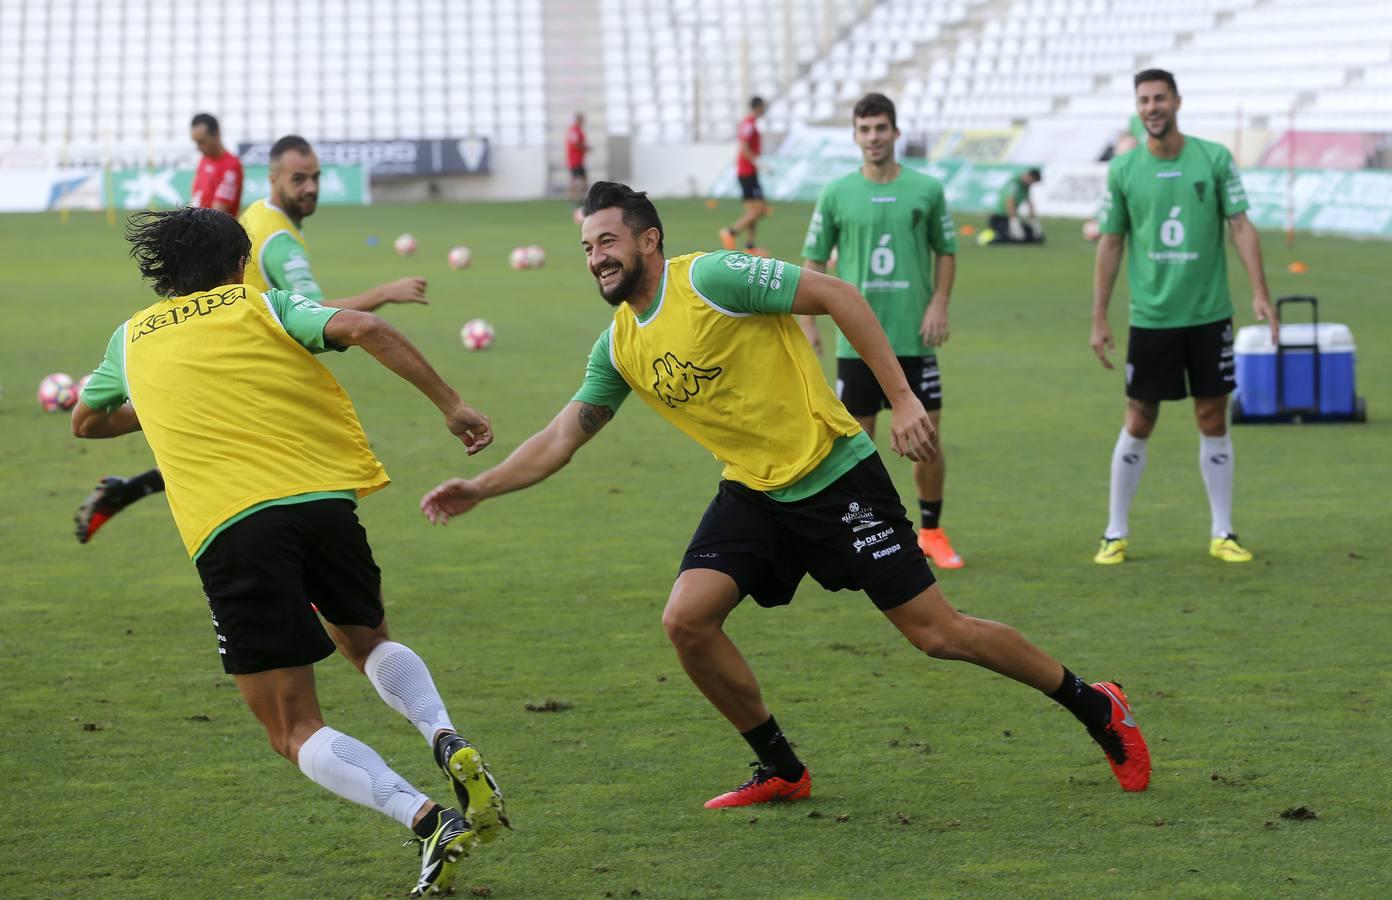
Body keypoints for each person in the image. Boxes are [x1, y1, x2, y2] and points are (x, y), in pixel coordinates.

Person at [422, 181, 1151, 810]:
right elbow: (562, 436)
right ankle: (782, 767)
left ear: (649, 239)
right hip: (754, 493)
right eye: (587, 248)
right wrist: (480, 488)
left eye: (608, 241)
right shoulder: (618, 344)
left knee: (937, 634)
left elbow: (836, 294)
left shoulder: (710, 277)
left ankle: (1096, 704)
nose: (597, 257)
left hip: (835, 473)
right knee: (687, 621)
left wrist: (901, 401)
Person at [71, 207, 508, 896]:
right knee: (367, 643)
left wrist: (155, 404)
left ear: (165, 275)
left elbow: (86, 420)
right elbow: (363, 326)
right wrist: (453, 406)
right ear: (238, 265)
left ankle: (426, 820)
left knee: (292, 726)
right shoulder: (262, 305)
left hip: (235, 530)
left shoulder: (131, 338)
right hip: (324, 506)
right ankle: (445, 735)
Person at [75, 134, 430, 543]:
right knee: (293, 476)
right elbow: (321, 310)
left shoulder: (260, 214)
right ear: (274, 178)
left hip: (221, 361)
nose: (311, 187)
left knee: (230, 463)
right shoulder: (276, 239)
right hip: (253, 366)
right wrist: (384, 293)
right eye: (299, 179)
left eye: (316, 177)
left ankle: (129, 489)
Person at [1090, 69, 1277, 565]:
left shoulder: (1212, 158)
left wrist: (1260, 291)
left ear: (1176, 101)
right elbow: (1110, 242)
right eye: (1144, 100)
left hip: (1209, 315)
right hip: (1151, 318)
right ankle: (1114, 532)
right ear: (1138, 107)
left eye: (1159, 98)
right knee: (1140, 415)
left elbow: (1240, 224)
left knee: (1212, 416)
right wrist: (1099, 317)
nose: (1152, 107)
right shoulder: (1124, 170)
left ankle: (1223, 531)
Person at [798, 93, 964, 570]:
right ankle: (870, 537)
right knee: (859, 444)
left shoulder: (927, 189)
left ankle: (932, 531)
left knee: (926, 438)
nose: (873, 137)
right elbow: (813, 262)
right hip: (856, 340)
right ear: (855, 135)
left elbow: (946, 249)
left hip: (912, 337)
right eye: (864, 129)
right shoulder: (836, 194)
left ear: (895, 132)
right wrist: (809, 325)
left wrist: (939, 302)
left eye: (880, 128)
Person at [720, 97, 769, 252]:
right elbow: (744, 146)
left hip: (748, 171)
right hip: (747, 171)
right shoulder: (748, 124)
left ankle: (750, 246)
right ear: (759, 107)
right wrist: (756, 162)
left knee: (752, 211)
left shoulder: (751, 123)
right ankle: (730, 232)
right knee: (759, 209)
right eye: (763, 107)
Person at [188, 112, 243, 216]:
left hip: (215, 230)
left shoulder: (231, 166)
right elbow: (196, 199)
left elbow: (217, 214)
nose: (198, 147)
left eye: (202, 142)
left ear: (216, 134)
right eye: (196, 142)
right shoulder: (204, 160)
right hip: (197, 227)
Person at [986, 168, 1044, 244]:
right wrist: (1014, 222)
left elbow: (1030, 202)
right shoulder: (1014, 183)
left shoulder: (1026, 186)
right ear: (1029, 177)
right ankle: (986, 238)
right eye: (1032, 181)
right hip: (999, 218)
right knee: (1016, 238)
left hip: (1010, 218)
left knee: (1033, 236)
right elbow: (1010, 202)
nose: (1031, 184)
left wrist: (1034, 222)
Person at [566, 112, 590, 205]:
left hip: (577, 159)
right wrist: (585, 147)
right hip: (575, 160)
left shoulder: (576, 130)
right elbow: (574, 144)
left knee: (576, 180)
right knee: (580, 180)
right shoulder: (575, 130)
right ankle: (577, 200)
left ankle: (574, 200)